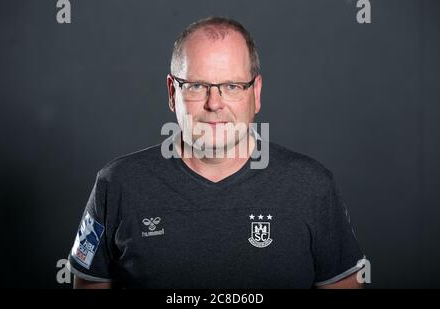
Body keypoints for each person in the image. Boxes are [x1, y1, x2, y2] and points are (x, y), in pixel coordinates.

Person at [67, 16, 365, 289]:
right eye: (197, 86)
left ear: (256, 93)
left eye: (232, 86)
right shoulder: (117, 184)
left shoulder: (312, 187)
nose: (214, 103)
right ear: (173, 92)